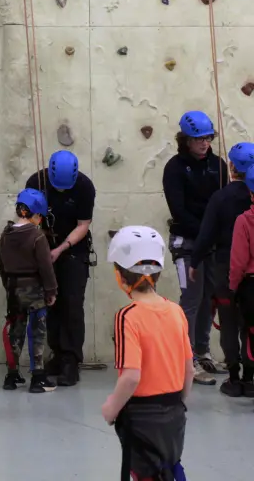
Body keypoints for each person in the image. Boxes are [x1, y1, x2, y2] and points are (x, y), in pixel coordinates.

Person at [102, 226, 192, 481]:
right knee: (169, 469)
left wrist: (112, 407)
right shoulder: (176, 311)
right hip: (175, 413)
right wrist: (180, 402)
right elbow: (188, 366)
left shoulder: (127, 317)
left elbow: (131, 376)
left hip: (142, 416)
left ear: (121, 276)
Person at [163, 110, 228, 385]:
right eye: (198, 139)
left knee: (209, 298)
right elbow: (178, 210)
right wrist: (205, 234)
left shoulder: (218, 165)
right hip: (187, 242)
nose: (205, 143)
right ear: (185, 140)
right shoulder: (175, 168)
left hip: (212, 241)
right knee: (191, 299)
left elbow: (223, 203)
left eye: (208, 137)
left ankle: (202, 350)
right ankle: (185, 359)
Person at [25, 150, 95, 387]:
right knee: (49, 301)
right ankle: (56, 354)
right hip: (45, 247)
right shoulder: (37, 182)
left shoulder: (84, 186)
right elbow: (29, 217)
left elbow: (83, 224)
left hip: (73, 249)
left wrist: (62, 248)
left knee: (72, 304)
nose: (63, 191)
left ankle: (71, 360)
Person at [190, 141, 254, 397]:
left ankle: (234, 375)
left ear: (231, 166)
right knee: (249, 324)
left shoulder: (221, 197)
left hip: (226, 267)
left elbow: (206, 235)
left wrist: (194, 262)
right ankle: (250, 375)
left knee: (228, 322)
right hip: (250, 276)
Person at [0, 188, 57, 393]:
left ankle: (12, 376)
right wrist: (51, 291)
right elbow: (45, 266)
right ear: (36, 214)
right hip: (34, 290)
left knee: (16, 331)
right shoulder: (37, 236)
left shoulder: (6, 234)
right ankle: (38, 378)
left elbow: (1, 265)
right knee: (37, 332)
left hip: (13, 291)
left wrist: (8, 286)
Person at [229, 165, 254, 394]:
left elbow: (238, 260)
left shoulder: (245, 221)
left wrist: (233, 287)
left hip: (251, 285)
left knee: (249, 333)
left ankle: (247, 379)